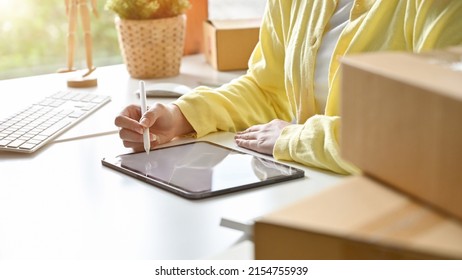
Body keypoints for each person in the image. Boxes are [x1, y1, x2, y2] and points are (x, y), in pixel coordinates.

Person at [115, 0, 462, 175]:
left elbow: (438, 139)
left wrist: (295, 139)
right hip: (310, 182)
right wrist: (182, 115)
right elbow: (268, 88)